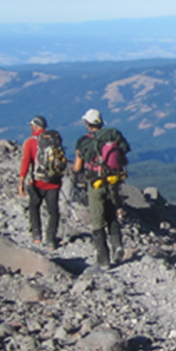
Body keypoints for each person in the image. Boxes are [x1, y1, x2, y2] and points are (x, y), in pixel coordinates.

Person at [72, 108, 124, 267]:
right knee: (112, 214)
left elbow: (77, 166)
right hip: (113, 181)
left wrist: (75, 175)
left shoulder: (83, 141)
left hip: (96, 183)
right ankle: (117, 245)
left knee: (97, 220)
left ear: (88, 124)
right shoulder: (112, 137)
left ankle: (103, 259)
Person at [18, 115, 61, 250]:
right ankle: (51, 240)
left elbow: (26, 162)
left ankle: (37, 236)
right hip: (54, 181)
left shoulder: (30, 142)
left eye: (31, 126)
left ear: (35, 126)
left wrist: (21, 181)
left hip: (37, 181)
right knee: (53, 211)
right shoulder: (54, 139)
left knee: (34, 207)